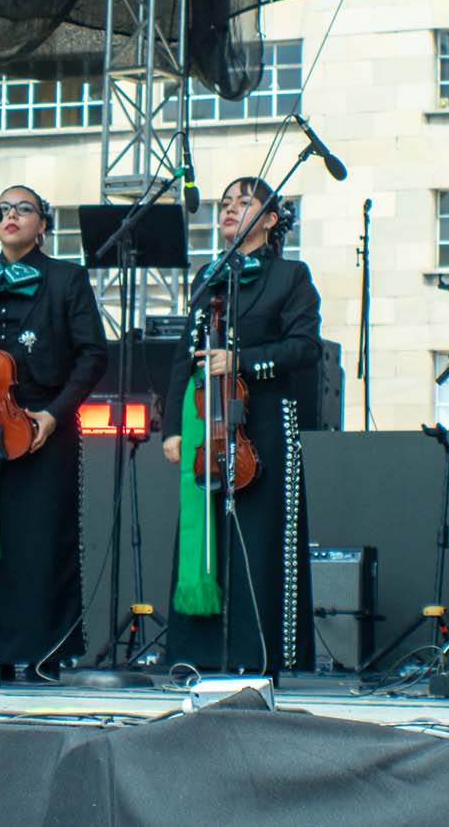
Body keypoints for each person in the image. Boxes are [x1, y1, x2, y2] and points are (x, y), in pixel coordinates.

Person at [0, 185, 107, 680]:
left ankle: (46, 651)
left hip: (43, 426)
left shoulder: (66, 279)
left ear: (43, 225)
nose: (10, 216)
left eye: (24, 209)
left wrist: (53, 416)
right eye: (3, 210)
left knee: (43, 539)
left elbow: (93, 355)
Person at [162, 177, 320, 676]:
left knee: (259, 534)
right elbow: (185, 358)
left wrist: (241, 360)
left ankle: (261, 658)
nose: (230, 209)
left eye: (244, 202)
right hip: (205, 423)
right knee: (205, 529)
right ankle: (199, 655)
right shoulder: (208, 277)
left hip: (265, 424)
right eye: (225, 203)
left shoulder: (291, 276)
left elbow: (304, 348)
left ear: (270, 220)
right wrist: (171, 426)